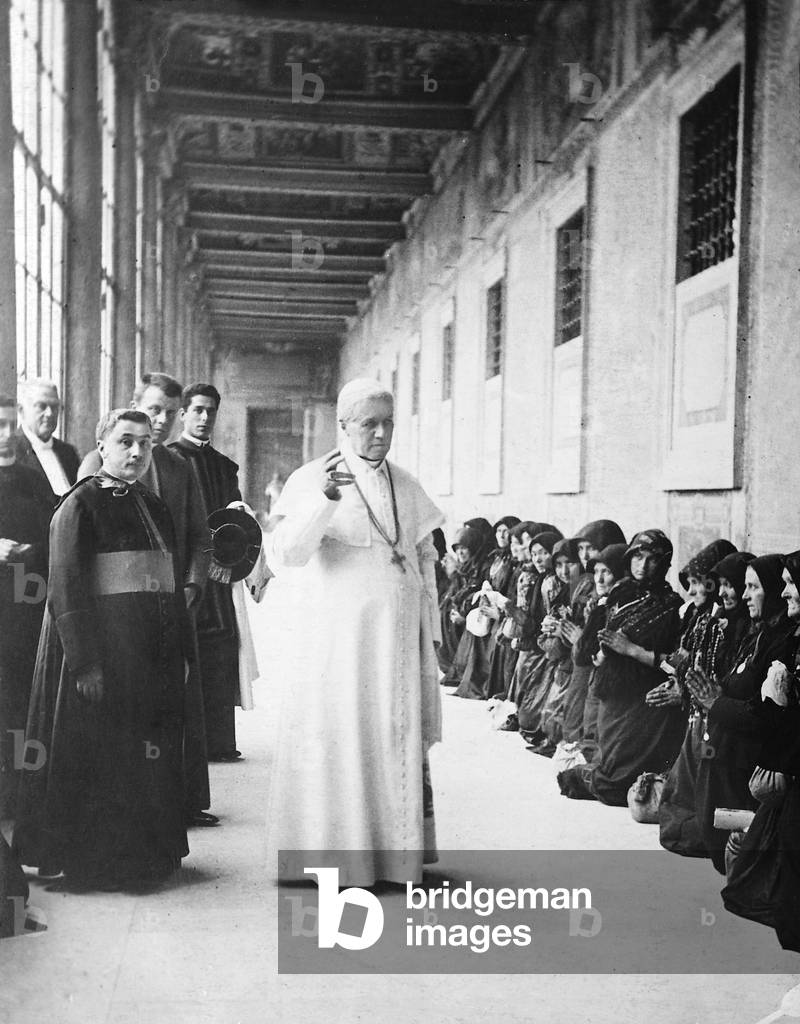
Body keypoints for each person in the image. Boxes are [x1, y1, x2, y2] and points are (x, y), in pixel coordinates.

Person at [264, 378, 444, 886]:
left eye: (388, 423)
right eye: (369, 424)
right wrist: (323, 502)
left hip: (399, 644)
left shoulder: (406, 483)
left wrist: (430, 633)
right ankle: (337, 862)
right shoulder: (310, 477)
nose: (382, 434)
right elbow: (283, 556)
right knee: (343, 742)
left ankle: (394, 861)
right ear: (343, 426)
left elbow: (424, 559)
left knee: (394, 736)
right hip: (339, 648)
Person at [13, 409, 189, 890]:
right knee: (96, 754)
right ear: (103, 446)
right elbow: (65, 589)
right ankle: (95, 861)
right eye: (126, 442)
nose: (136, 452)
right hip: (96, 656)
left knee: (140, 753)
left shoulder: (153, 504)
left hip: (145, 657)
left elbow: (168, 585)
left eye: (145, 444)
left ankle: (141, 854)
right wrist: (86, 663)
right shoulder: (78, 505)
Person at [78, 373, 215, 827]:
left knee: (175, 703)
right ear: (136, 403)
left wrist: (193, 586)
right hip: (116, 614)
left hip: (173, 603)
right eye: (154, 409)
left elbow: (200, 537)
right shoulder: (94, 464)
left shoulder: (180, 469)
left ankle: (183, 801)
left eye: (170, 413)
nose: (161, 420)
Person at [683, 553, 796, 872]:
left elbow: (762, 716)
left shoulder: (781, 644)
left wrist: (716, 703)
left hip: (750, 762)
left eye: (752, 587)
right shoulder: (761, 636)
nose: (743, 595)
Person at [558, 529, 685, 805]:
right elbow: (594, 641)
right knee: (613, 767)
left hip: (644, 700)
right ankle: (591, 775)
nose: (643, 565)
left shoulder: (672, 606)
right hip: (612, 695)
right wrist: (601, 652)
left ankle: (588, 778)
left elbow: (673, 662)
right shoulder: (619, 593)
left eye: (652, 559)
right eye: (638, 557)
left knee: (617, 785)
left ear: (664, 564)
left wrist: (631, 651)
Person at [657, 545, 754, 861]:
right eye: (718, 584)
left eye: (729, 585)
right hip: (701, 716)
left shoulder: (744, 628)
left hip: (725, 725)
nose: (719, 592)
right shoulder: (707, 620)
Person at [170, 383, 244, 762]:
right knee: (189, 647)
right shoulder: (167, 460)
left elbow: (234, 519)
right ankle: (190, 743)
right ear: (182, 413)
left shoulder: (223, 466)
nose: (203, 418)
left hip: (220, 572)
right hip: (185, 569)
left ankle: (219, 740)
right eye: (197, 410)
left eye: (210, 411)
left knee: (222, 645)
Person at [0, 396, 53, 818]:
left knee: (21, 704)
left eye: (8, 425)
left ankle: (21, 799)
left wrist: (29, 550)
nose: (4, 436)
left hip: (24, 611)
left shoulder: (32, 479)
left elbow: (57, 530)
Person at [15, 379, 80, 499]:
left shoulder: (68, 452)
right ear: (21, 410)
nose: (50, 413)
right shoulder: (10, 453)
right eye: (41, 406)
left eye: (55, 407)